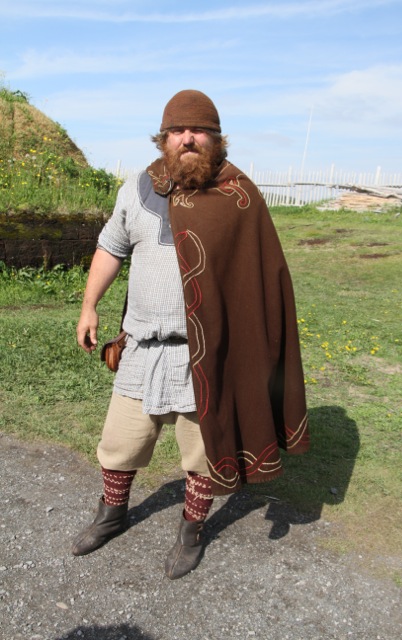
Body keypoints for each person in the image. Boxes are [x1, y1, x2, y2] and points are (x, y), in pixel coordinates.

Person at [73, 89, 309, 580]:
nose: (188, 139)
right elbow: (111, 248)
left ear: (217, 139)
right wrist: (89, 305)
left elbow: (261, 278)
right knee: (119, 443)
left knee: (203, 452)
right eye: (178, 131)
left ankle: (191, 529)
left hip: (205, 356)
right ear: (163, 139)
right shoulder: (137, 188)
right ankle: (112, 513)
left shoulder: (238, 196)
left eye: (199, 130)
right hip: (140, 346)